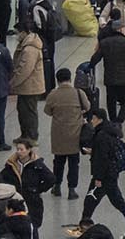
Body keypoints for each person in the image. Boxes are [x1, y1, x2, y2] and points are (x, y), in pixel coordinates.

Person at [76, 114, 125, 228]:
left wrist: (98, 178)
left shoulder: (101, 135)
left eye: (94, 118)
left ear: (100, 119)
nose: (92, 121)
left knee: (92, 199)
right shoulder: (109, 132)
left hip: (104, 175)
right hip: (111, 173)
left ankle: (84, 223)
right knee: (115, 199)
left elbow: (102, 159)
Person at [46, 69, 87, 200]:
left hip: (59, 133)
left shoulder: (53, 94)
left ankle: (57, 186)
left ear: (57, 80)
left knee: (58, 162)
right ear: (70, 78)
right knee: (74, 163)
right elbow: (87, 106)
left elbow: (47, 111)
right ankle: (72, 189)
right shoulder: (79, 93)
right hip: (75, 133)